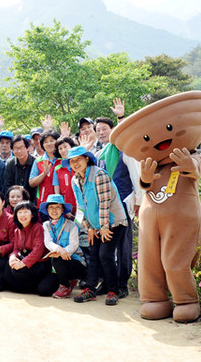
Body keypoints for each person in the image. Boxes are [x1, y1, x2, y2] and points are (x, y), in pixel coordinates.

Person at [65, 146, 127, 306]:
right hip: (95, 225)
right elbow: (80, 206)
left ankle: (114, 290)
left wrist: (104, 226)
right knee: (94, 255)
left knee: (105, 255)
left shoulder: (99, 174)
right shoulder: (75, 180)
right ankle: (91, 289)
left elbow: (104, 203)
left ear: (87, 159)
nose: (75, 163)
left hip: (113, 222)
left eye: (78, 159)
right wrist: (90, 228)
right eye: (72, 161)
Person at [95, 115, 143, 299]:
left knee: (123, 247)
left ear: (113, 130)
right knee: (105, 246)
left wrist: (138, 201)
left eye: (104, 129)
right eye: (98, 129)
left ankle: (122, 284)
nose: (101, 132)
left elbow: (136, 178)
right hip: (104, 207)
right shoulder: (100, 155)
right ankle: (108, 283)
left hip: (123, 203)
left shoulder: (126, 152)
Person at [39, 194, 87, 299]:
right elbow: (48, 242)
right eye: (51, 207)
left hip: (74, 262)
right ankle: (67, 281)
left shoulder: (72, 225)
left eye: (57, 207)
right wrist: (59, 249)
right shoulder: (46, 225)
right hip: (56, 266)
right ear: (47, 210)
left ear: (62, 210)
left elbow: (74, 245)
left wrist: (62, 252)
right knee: (44, 289)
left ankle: (65, 287)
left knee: (58, 259)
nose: (54, 210)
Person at [3, 201, 50, 295]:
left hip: (39, 264)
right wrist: (12, 257)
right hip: (26, 259)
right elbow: (16, 249)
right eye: (19, 212)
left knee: (43, 290)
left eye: (25, 212)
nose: (22, 215)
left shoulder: (38, 227)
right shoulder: (17, 230)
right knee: (9, 267)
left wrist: (23, 263)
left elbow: (38, 250)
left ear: (32, 214)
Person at [29, 131, 60, 209]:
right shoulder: (38, 161)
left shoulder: (63, 159)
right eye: (45, 142)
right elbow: (31, 183)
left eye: (52, 140)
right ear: (42, 145)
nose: (49, 144)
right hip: (44, 203)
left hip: (63, 202)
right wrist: (43, 174)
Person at [4, 135, 36, 202]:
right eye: (15, 148)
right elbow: (7, 186)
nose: (19, 151)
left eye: (21, 147)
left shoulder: (35, 162)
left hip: (32, 202)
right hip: (15, 203)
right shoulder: (10, 164)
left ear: (27, 148)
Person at [53, 137, 78, 215]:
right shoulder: (57, 168)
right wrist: (64, 209)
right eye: (60, 148)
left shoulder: (80, 164)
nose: (63, 150)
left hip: (83, 207)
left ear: (71, 146)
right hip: (67, 210)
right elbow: (57, 192)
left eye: (65, 147)